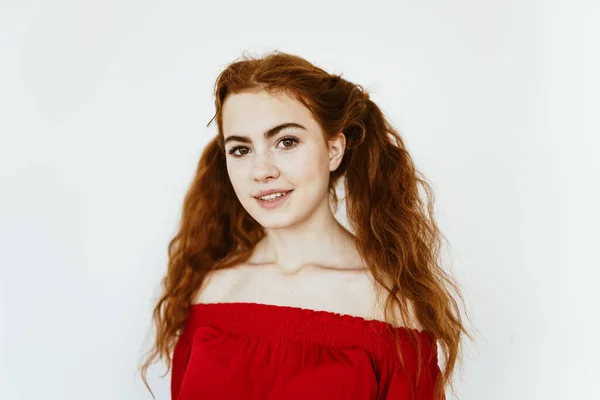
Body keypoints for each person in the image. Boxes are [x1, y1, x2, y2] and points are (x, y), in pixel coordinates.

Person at [139, 50, 471, 400]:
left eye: (286, 142)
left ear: (333, 150)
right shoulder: (210, 288)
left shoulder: (389, 303)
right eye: (241, 149)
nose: (262, 170)